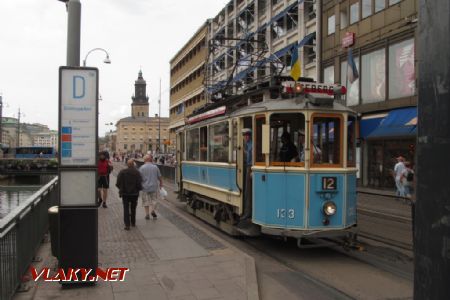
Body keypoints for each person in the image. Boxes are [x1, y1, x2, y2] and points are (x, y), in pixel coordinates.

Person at [116, 159, 142, 230]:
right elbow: (139, 183)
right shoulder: (137, 172)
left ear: (127, 164)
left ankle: (127, 224)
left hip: (125, 194)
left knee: (126, 208)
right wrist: (138, 189)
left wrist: (121, 188)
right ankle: (133, 222)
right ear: (133, 165)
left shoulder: (122, 172)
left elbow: (118, 183)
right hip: (134, 193)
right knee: (133, 208)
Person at [139, 154, 163, 220]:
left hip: (145, 187)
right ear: (150, 159)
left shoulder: (142, 167)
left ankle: (147, 214)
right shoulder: (155, 167)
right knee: (154, 200)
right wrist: (161, 184)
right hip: (154, 187)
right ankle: (153, 210)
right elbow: (159, 177)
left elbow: (139, 178)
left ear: (145, 160)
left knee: (145, 201)